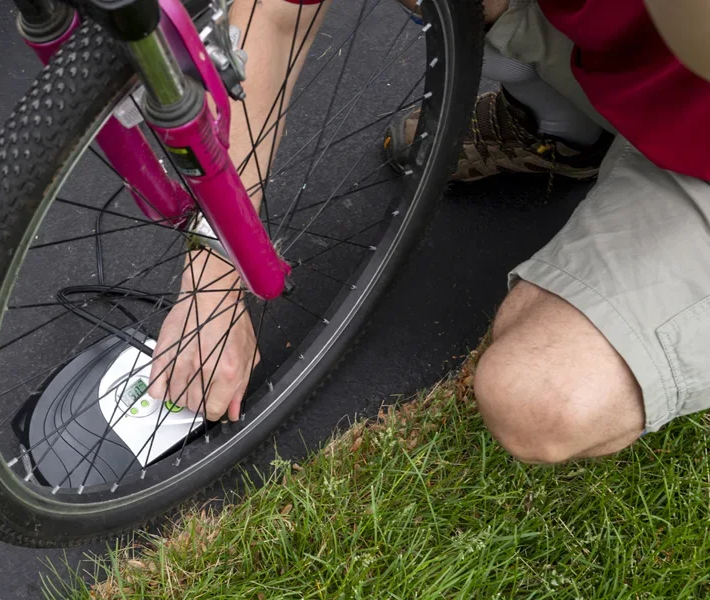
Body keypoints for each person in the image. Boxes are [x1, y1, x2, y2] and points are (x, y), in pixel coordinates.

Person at [148, 0, 710, 464]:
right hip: (648, 67)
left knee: (542, 397)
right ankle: (561, 125)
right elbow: (276, 14)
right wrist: (212, 283)